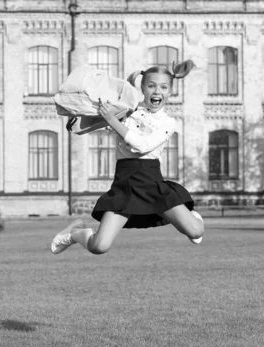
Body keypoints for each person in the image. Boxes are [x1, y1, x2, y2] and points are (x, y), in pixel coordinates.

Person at [51, 62, 204, 255]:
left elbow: (142, 146)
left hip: (152, 185)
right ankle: (75, 233)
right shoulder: (126, 111)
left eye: (164, 87)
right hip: (125, 185)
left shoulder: (168, 122)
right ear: (142, 89)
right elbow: (88, 122)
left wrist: (111, 120)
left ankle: (192, 218)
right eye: (151, 86)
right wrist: (82, 112)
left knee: (197, 231)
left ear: (170, 92)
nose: (157, 91)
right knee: (99, 246)